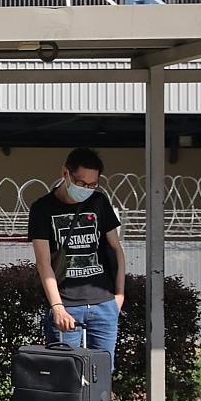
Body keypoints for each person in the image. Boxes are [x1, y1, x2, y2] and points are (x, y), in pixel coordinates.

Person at [29, 149, 127, 365]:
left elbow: (116, 249)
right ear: (66, 173)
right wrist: (57, 306)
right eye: (82, 183)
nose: (87, 189)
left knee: (102, 375)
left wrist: (119, 296)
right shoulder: (42, 208)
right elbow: (43, 262)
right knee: (67, 375)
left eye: (93, 185)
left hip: (104, 304)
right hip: (67, 305)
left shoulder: (99, 202)